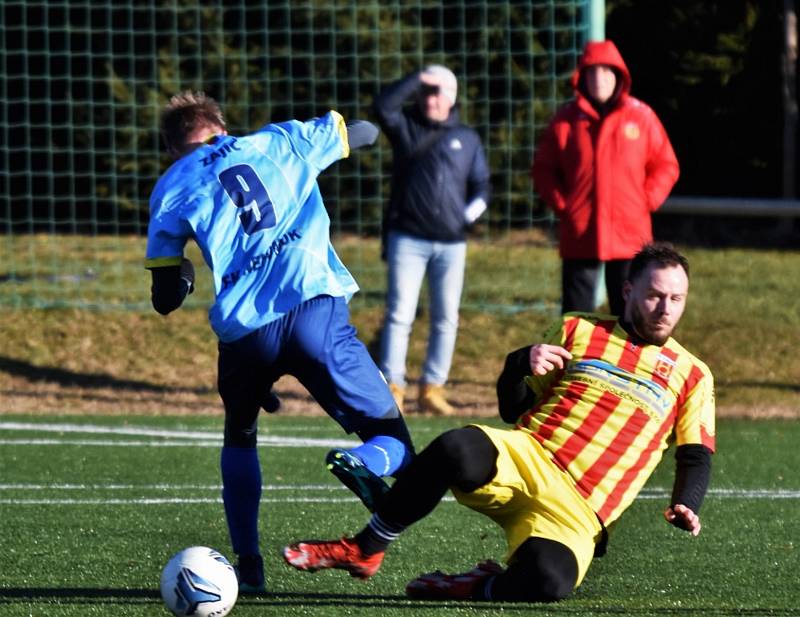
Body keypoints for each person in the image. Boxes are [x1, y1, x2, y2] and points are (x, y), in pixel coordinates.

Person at [283, 242, 715, 603]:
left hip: (582, 512)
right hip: (529, 456)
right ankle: (365, 548)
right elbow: (514, 410)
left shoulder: (692, 374)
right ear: (627, 290)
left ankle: (476, 584)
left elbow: (695, 453)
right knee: (456, 447)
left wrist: (687, 503)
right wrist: (517, 364)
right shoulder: (577, 329)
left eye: (676, 299)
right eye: (655, 295)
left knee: (549, 583)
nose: (665, 308)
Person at [145, 91, 416, 593]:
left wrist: (182, 275)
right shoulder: (278, 141)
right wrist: (338, 140)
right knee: (397, 444)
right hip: (314, 309)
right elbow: (364, 132)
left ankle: (248, 567)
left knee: (240, 434)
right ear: (223, 130)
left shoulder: (171, 185)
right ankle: (363, 462)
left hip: (245, 335)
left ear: (173, 150)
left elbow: (166, 298)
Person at [374, 64, 491, 415]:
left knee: (446, 318)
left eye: (437, 90)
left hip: (451, 244)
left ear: (451, 97)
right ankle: (393, 385)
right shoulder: (406, 128)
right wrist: (418, 77)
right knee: (399, 315)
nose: (430, 97)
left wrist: (465, 217)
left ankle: (432, 388)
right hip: (407, 240)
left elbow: (483, 186)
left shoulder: (468, 138)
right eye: (426, 91)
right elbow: (383, 107)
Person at [531, 40, 680, 316]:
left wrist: (646, 200)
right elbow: (543, 169)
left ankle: (626, 362)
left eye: (606, 71)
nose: (599, 79)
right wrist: (564, 206)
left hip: (629, 234)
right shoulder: (565, 121)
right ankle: (577, 362)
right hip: (581, 234)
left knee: (631, 315)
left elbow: (666, 164)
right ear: (582, 77)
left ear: (619, 76)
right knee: (576, 319)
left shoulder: (641, 117)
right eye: (591, 72)